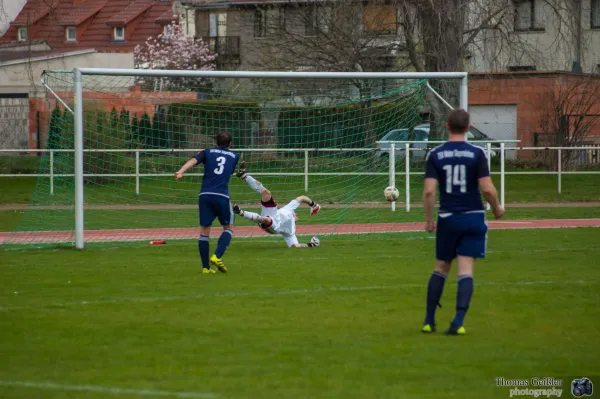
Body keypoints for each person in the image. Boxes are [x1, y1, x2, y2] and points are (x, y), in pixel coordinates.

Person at [421, 109, 504, 335]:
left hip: (448, 217)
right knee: (465, 270)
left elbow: (429, 191)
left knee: (441, 268)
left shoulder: (436, 155)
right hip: (473, 217)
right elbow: (487, 188)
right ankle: (457, 322)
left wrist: (429, 220)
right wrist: (497, 208)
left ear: (447, 126)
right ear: (468, 128)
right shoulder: (477, 154)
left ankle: (429, 320)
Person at [175, 131, 240, 274]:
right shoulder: (235, 156)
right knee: (228, 227)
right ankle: (217, 256)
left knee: (204, 231)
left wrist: (181, 171)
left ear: (216, 142)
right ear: (230, 144)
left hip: (204, 195)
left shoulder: (207, 152)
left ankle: (205, 268)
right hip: (221, 195)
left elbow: (193, 161)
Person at [233, 162, 321, 248]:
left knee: (266, 220)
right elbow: (302, 198)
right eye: (297, 215)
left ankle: (240, 212)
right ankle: (243, 175)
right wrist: (314, 205)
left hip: (274, 226)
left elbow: (295, 245)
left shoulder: (291, 231)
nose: (297, 216)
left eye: (297, 217)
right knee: (266, 193)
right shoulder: (289, 209)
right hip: (272, 213)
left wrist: (310, 245)